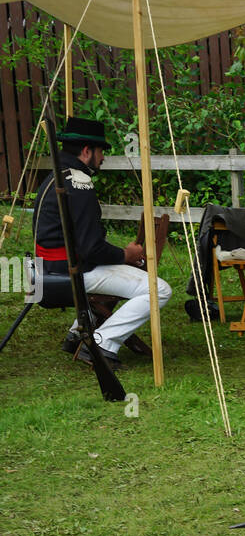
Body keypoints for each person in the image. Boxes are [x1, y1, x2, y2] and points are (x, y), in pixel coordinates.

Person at [33, 116, 172, 366]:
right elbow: (92, 249)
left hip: (48, 269)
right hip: (67, 272)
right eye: (100, 151)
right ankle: (102, 343)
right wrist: (125, 255)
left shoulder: (56, 176)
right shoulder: (79, 182)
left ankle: (77, 333)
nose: (103, 158)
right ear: (87, 151)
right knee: (159, 289)